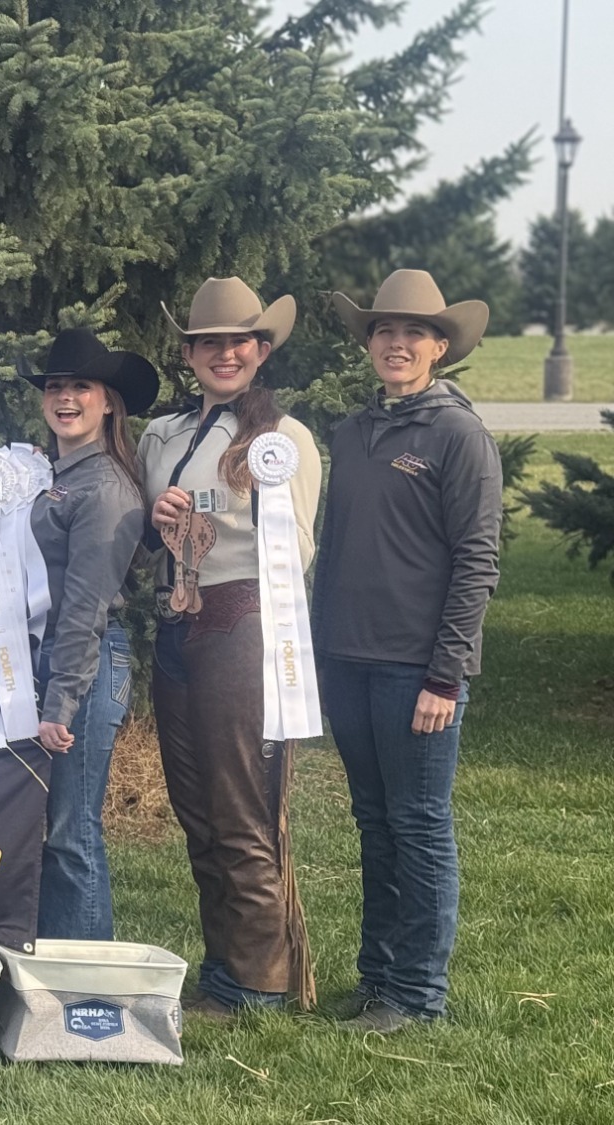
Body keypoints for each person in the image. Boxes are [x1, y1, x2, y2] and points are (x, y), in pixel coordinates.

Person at [318, 269, 499, 1032]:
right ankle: (378, 977)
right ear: (369, 341)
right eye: (384, 330)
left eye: (413, 333)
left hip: (415, 670)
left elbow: (477, 560)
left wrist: (445, 674)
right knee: (374, 819)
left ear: (439, 346)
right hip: (346, 661)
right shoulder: (354, 433)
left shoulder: (457, 435)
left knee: (419, 821)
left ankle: (418, 995)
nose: (397, 343)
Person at [139, 277, 320, 1019]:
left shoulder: (284, 439)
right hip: (177, 623)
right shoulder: (161, 437)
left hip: (244, 619)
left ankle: (262, 979)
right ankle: (227, 967)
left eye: (239, 342)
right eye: (209, 343)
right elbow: (145, 541)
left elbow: (299, 546)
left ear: (261, 348)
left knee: (241, 805)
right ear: (188, 353)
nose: (225, 354)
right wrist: (160, 519)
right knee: (197, 807)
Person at [21, 329, 155, 941]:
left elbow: (83, 609)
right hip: (54, 662)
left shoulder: (103, 488)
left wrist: (60, 703)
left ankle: (84, 981)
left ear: (108, 403)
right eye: (56, 387)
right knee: (50, 827)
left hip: (84, 665)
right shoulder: (58, 474)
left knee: (71, 830)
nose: (66, 398)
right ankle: (50, 961)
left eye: (81, 387)